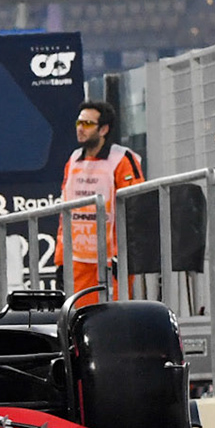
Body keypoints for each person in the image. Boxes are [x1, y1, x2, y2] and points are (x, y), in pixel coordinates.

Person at [52, 100, 144, 306]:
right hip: (77, 261)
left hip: (112, 261)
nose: (80, 129)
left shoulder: (122, 159)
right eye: (78, 123)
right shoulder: (74, 159)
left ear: (103, 129)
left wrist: (130, 256)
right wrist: (61, 259)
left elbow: (137, 208)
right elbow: (65, 212)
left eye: (87, 124)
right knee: (76, 320)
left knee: (114, 319)